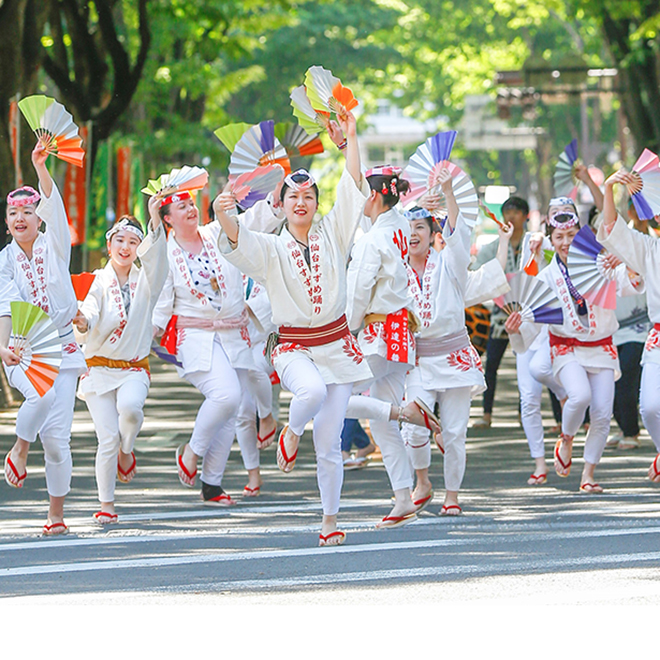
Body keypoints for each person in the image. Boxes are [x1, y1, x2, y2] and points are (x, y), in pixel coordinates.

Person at [214, 111, 372, 546]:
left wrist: (351, 138)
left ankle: (330, 520)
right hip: (294, 348)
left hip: (338, 346)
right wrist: (221, 209)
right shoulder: (270, 247)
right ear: (280, 205)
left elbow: (353, 188)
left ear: (315, 202)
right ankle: (290, 429)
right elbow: (235, 239)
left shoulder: (334, 233)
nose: (301, 202)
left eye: (308, 195)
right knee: (312, 394)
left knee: (329, 445)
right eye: (292, 196)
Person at [152, 183, 277, 506]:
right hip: (196, 337)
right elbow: (162, 302)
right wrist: (147, 333)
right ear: (168, 219)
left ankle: (212, 484)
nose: (191, 210)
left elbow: (249, 224)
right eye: (181, 207)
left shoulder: (215, 233)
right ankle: (191, 451)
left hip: (234, 334)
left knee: (230, 407)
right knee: (226, 396)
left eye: (191, 204)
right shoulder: (166, 253)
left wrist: (276, 200)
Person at [506, 196, 641, 492]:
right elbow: (530, 319)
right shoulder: (546, 277)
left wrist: (628, 267)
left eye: (571, 235)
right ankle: (566, 439)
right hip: (565, 348)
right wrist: (516, 327)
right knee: (579, 396)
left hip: (602, 346)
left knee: (603, 413)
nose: (565, 242)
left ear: (580, 234)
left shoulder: (599, 263)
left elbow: (628, 282)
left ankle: (588, 474)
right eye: (559, 237)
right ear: (551, 240)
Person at [344, 165, 441, 529]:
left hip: (377, 332)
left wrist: (346, 329)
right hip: (401, 331)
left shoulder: (371, 240)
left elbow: (357, 292)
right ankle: (403, 496)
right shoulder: (399, 226)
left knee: (332, 396)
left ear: (372, 196)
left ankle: (409, 414)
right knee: (379, 418)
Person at [401, 196, 511, 515]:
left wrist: (448, 193)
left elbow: (465, 247)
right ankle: (422, 482)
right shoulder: (394, 271)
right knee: (412, 425)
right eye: (407, 227)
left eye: (420, 226)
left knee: (454, 432)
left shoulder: (449, 263)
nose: (412, 233)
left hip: (454, 357)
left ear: (434, 233)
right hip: (417, 361)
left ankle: (451, 496)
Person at [0, 141, 87, 535]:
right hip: (22, 347)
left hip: (64, 345)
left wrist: (40, 168)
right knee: (42, 395)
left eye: (28, 212)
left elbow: (53, 201)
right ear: (6, 222)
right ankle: (20, 445)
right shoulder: (3, 261)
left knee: (57, 441)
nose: (21, 218)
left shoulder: (56, 244)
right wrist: (4, 349)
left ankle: (56, 513)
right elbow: (6, 306)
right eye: (13, 213)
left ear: (39, 219)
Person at [73, 204, 168, 524]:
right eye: (120, 241)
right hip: (98, 368)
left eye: (132, 242)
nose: (125, 247)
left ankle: (128, 449)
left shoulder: (148, 280)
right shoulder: (100, 281)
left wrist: (154, 216)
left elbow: (159, 261)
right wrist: (83, 322)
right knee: (106, 438)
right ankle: (106, 503)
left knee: (130, 410)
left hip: (133, 368)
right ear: (109, 245)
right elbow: (90, 310)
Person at [597, 170, 660, 482]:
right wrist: (608, 188)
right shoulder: (650, 250)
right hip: (658, 337)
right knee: (649, 407)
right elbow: (612, 229)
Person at [470, 196, 529, 428]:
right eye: (507, 212)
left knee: (526, 365)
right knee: (491, 364)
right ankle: (486, 414)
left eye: (516, 212)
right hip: (500, 315)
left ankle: (524, 412)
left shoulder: (533, 244)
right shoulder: (493, 247)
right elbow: (477, 272)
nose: (511, 216)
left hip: (526, 315)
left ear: (525, 216)